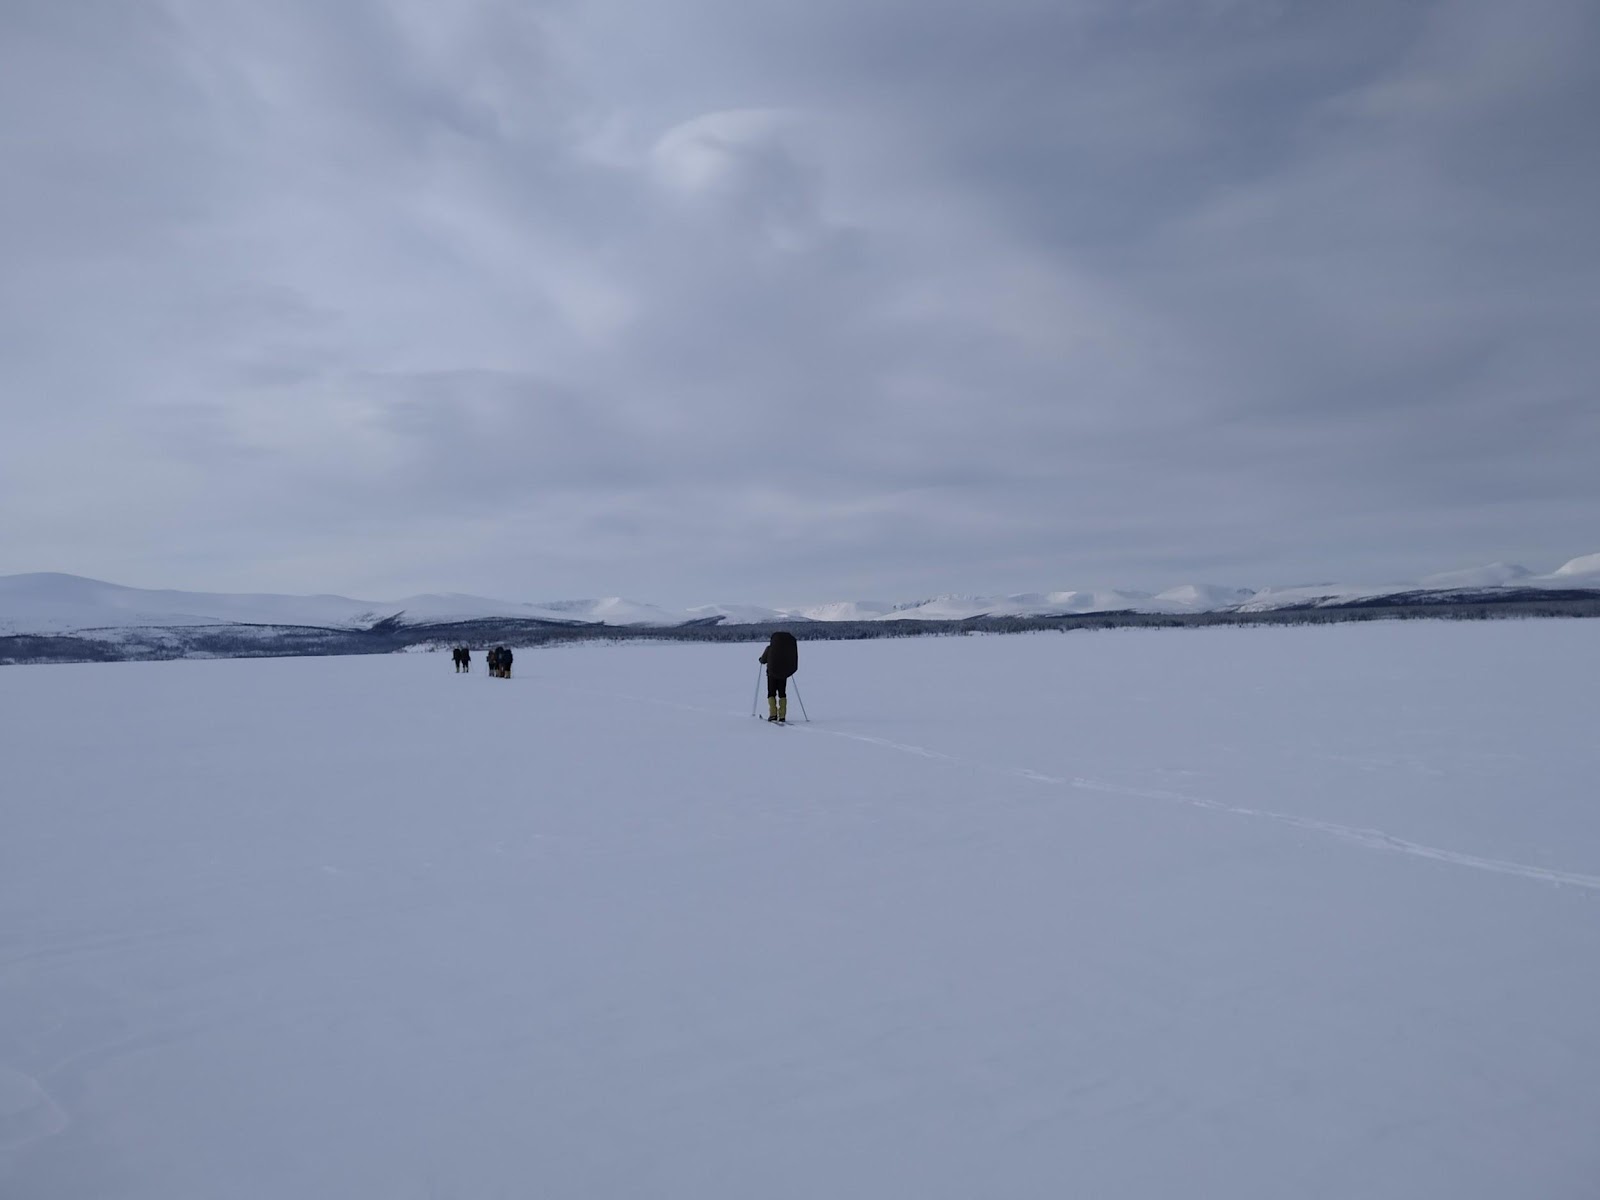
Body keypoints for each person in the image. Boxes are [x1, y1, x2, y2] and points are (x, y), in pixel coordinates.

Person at [759, 630, 798, 722]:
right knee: (782, 693)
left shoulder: (770, 648)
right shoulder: (787, 650)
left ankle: (773, 714)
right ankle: (782, 715)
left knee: (771, 693)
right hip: (783, 674)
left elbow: (763, 660)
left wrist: (761, 660)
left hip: (771, 673)